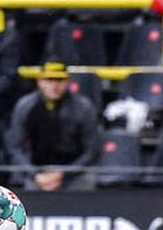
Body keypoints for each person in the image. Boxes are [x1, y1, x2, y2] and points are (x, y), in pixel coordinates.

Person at [6, 59, 100, 192]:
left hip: (74, 171)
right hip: (36, 170)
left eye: (59, 80)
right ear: (39, 81)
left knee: (87, 179)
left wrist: (63, 174)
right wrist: (34, 173)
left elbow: (92, 151)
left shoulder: (84, 107)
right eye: (49, 80)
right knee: (19, 180)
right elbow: (15, 147)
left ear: (67, 82)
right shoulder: (25, 106)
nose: (54, 85)